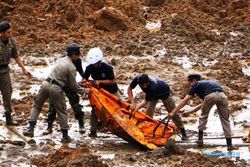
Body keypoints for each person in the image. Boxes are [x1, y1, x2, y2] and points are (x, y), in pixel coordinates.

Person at [23, 43, 88, 143]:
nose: (79, 56)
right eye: (78, 54)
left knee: (36, 106)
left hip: (45, 84)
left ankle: (30, 129)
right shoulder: (71, 67)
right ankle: (65, 136)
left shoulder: (59, 59)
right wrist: (85, 91)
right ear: (73, 54)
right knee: (61, 110)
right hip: (57, 88)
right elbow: (73, 86)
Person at [168, 74, 238, 151]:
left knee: (203, 116)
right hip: (223, 96)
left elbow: (185, 101)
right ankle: (229, 144)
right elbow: (204, 103)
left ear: (194, 81)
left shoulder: (197, 84)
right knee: (225, 119)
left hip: (210, 96)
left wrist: (173, 112)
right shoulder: (209, 83)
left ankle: (200, 140)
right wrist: (190, 112)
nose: (190, 86)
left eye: (189, 83)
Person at [127, 74, 188, 140]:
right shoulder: (137, 79)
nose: (144, 87)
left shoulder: (152, 86)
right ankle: (148, 132)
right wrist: (133, 103)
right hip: (153, 95)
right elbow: (129, 89)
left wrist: (135, 110)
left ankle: (183, 132)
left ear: (148, 82)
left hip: (164, 93)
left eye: (145, 85)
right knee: (148, 114)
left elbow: (145, 102)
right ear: (139, 83)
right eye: (142, 85)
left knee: (173, 113)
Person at [43, 57, 86, 135]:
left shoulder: (77, 60)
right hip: (58, 84)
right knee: (53, 105)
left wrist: (84, 79)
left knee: (75, 103)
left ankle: (81, 124)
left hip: (70, 84)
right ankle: (49, 126)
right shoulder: (62, 59)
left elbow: (81, 72)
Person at [0, 21, 32, 125]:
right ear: (2, 33)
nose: (10, 34)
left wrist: (24, 69)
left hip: (4, 70)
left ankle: (8, 118)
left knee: (7, 93)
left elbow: (16, 56)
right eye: (8, 32)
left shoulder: (12, 42)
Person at [83, 47, 119, 137]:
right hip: (99, 93)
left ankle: (121, 127)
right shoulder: (89, 68)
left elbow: (112, 81)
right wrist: (84, 83)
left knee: (119, 109)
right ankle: (93, 131)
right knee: (95, 110)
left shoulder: (108, 68)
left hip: (112, 91)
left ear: (99, 61)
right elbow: (85, 78)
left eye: (95, 63)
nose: (93, 65)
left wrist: (99, 81)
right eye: (92, 64)